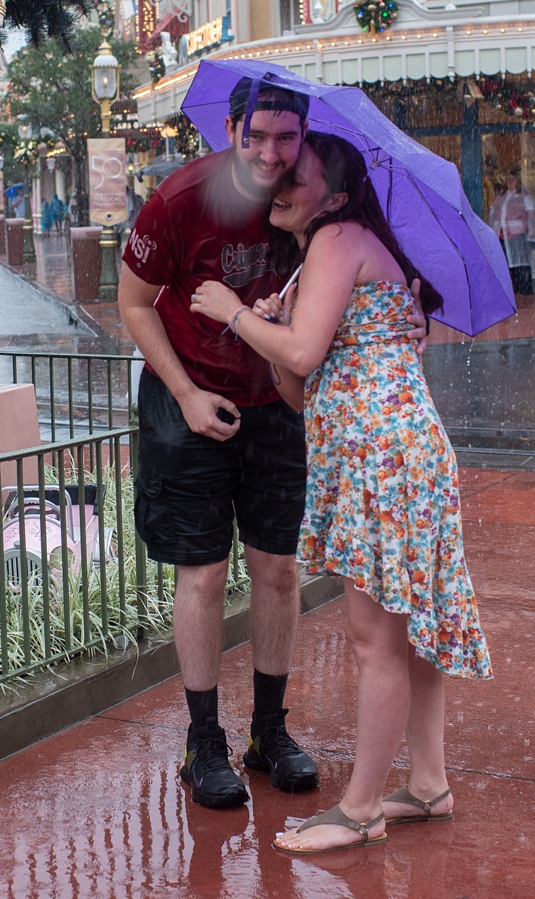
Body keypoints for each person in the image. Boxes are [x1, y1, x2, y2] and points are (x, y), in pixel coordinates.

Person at [191, 131, 492, 854]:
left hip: (383, 460)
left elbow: (298, 356)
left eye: (298, 174)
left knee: (377, 638)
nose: (280, 182)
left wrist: (235, 313)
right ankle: (427, 782)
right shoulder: (324, 255)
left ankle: (360, 810)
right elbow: (298, 387)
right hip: (388, 455)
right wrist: (271, 321)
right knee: (409, 628)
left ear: (336, 193)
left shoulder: (337, 240)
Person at [118, 78, 322, 811]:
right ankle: (204, 739)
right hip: (189, 395)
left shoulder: (310, 201)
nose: (272, 153)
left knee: (277, 569)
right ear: (231, 126)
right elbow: (133, 302)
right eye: (257, 135)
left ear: (303, 136)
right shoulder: (179, 199)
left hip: (276, 401)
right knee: (202, 576)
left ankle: (269, 731)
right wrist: (186, 394)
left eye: (286, 138)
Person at [489, 169, 534, 295]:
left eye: (512, 179)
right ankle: (511, 290)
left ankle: (523, 291)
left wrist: (531, 229)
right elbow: (493, 214)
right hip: (502, 235)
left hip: (517, 234)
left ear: (518, 180)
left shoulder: (524, 196)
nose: (510, 182)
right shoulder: (501, 197)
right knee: (507, 263)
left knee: (520, 263)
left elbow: (531, 214)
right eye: (508, 179)